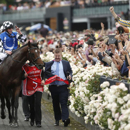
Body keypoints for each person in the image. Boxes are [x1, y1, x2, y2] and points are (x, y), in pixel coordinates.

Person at [45, 48, 72, 127]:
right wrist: (53, 76)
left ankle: (65, 119)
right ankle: (57, 119)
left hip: (63, 86)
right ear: (54, 55)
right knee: (55, 103)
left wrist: (70, 75)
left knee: (63, 102)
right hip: (53, 86)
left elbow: (70, 71)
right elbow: (46, 73)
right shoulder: (49, 64)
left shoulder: (66, 63)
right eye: (56, 56)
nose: (57, 57)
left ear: (61, 55)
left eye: (58, 56)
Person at [22, 61, 45, 127]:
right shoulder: (26, 66)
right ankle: (32, 119)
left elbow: (43, 74)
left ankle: (38, 122)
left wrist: (43, 80)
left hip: (38, 86)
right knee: (31, 105)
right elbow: (21, 77)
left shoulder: (39, 65)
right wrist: (24, 76)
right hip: (30, 87)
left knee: (37, 103)